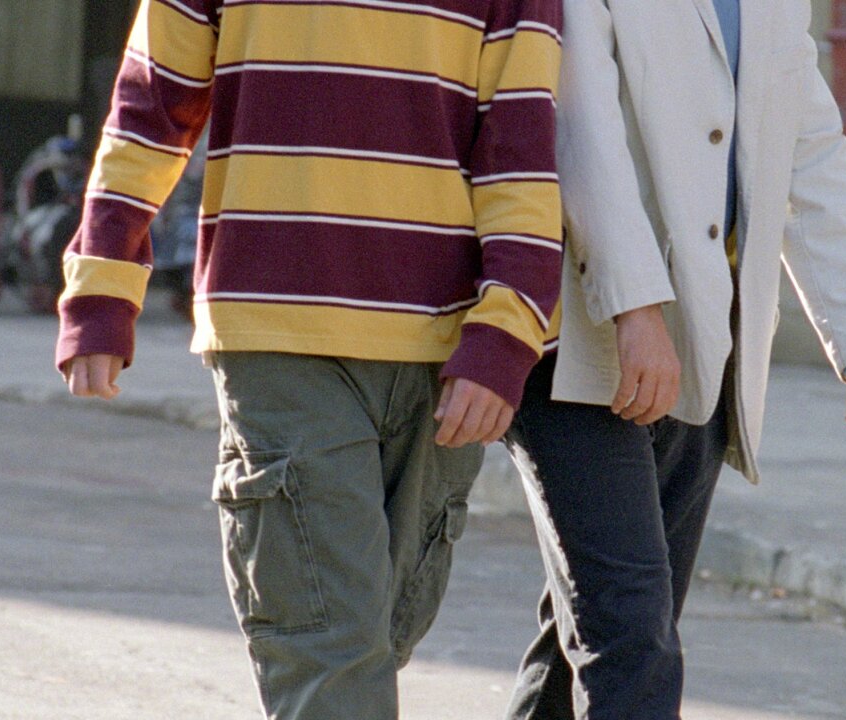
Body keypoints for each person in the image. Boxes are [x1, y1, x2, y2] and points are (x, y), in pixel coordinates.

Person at [54, 1, 562, 718]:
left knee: (373, 639)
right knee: (331, 655)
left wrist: (507, 329)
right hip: (277, 332)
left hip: (442, 351)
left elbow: (522, 150)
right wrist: (102, 282)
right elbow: (151, 106)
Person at [502, 1, 846, 718]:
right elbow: (579, 129)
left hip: (705, 345)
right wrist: (635, 309)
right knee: (629, 636)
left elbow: (810, 151)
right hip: (580, 346)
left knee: (610, 632)